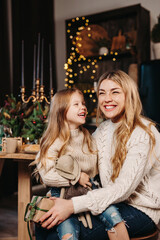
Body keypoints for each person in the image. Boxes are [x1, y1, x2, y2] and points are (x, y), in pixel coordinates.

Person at [38, 70, 160, 239]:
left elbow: (122, 190)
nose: (107, 99)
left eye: (115, 92)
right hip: (107, 201)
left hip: (140, 209)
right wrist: (61, 191)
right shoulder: (102, 130)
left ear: (129, 95)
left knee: (55, 236)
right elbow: (78, 158)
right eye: (102, 93)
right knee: (44, 226)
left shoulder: (144, 133)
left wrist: (71, 205)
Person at [33, 88, 130, 240]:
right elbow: (47, 176)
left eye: (83, 104)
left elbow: (96, 166)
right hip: (63, 195)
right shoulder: (55, 140)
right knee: (69, 230)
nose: (83, 107)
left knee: (113, 215)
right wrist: (76, 177)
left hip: (88, 189)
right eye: (76, 104)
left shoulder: (88, 136)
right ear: (62, 111)